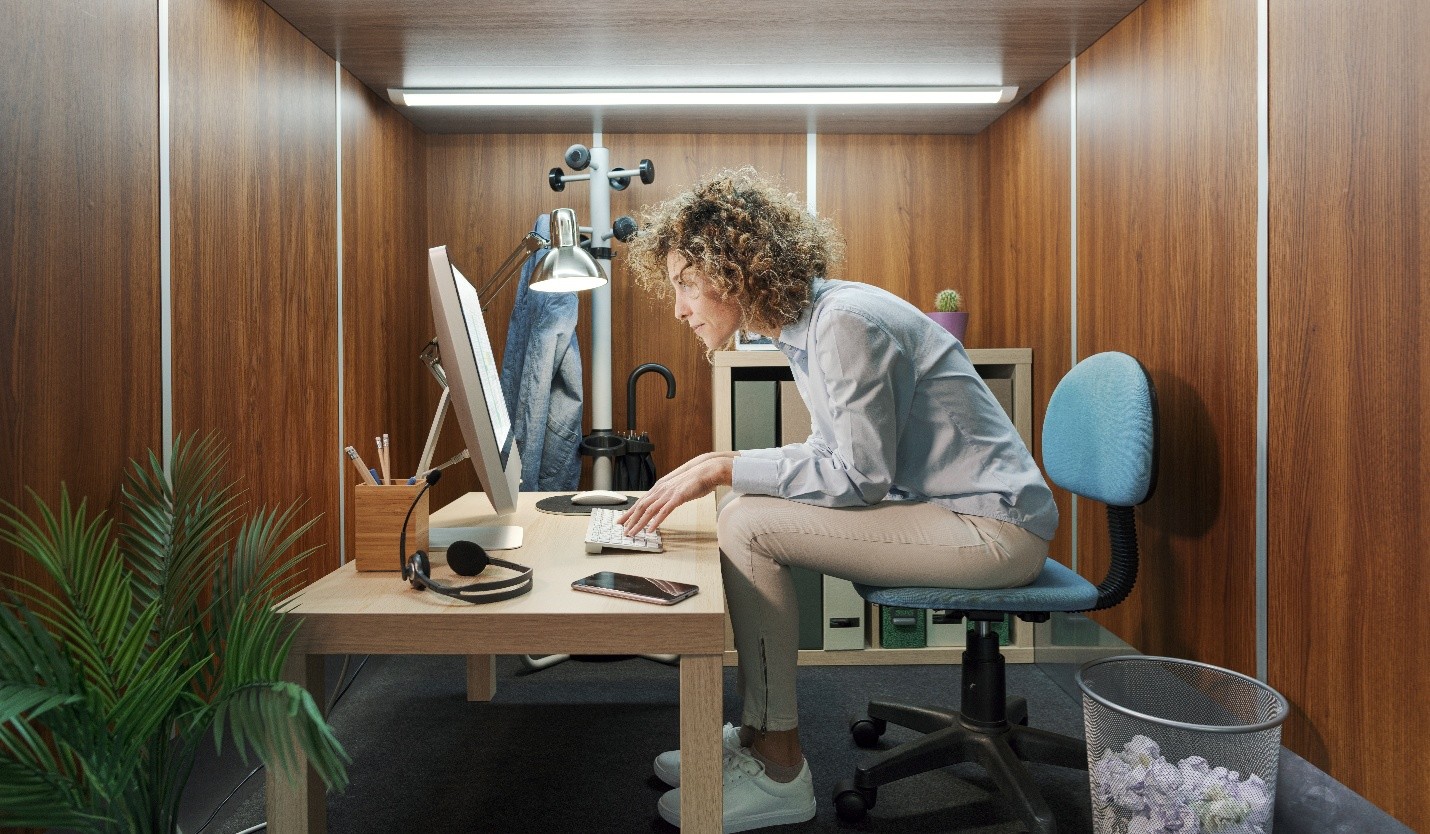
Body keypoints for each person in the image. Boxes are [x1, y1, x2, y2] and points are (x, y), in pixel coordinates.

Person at [619, 168, 1058, 833]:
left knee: (747, 526)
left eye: (685, 282)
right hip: (955, 513)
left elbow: (857, 479)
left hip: (995, 531)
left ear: (735, 271)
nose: (679, 306)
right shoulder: (810, 324)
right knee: (742, 510)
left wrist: (724, 466)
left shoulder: (844, 324)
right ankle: (761, 732)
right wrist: (725, 469)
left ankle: (779, 769)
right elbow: (836, 460)